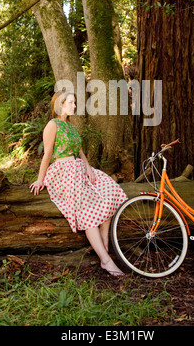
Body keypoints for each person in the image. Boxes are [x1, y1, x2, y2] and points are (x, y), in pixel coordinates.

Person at [29, 90, 128, 277]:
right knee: (86, 207)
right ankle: (106, 260)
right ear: (60, 104)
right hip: (64, 171)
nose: (74, 106)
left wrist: (89, 169)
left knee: (110, 189)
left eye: (75, 102)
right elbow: (48, 154)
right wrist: (40, 179)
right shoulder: (53, 125)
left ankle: (104, 239)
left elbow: (80, 151)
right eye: (71, 102)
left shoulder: (71, 127)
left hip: (80, 167)